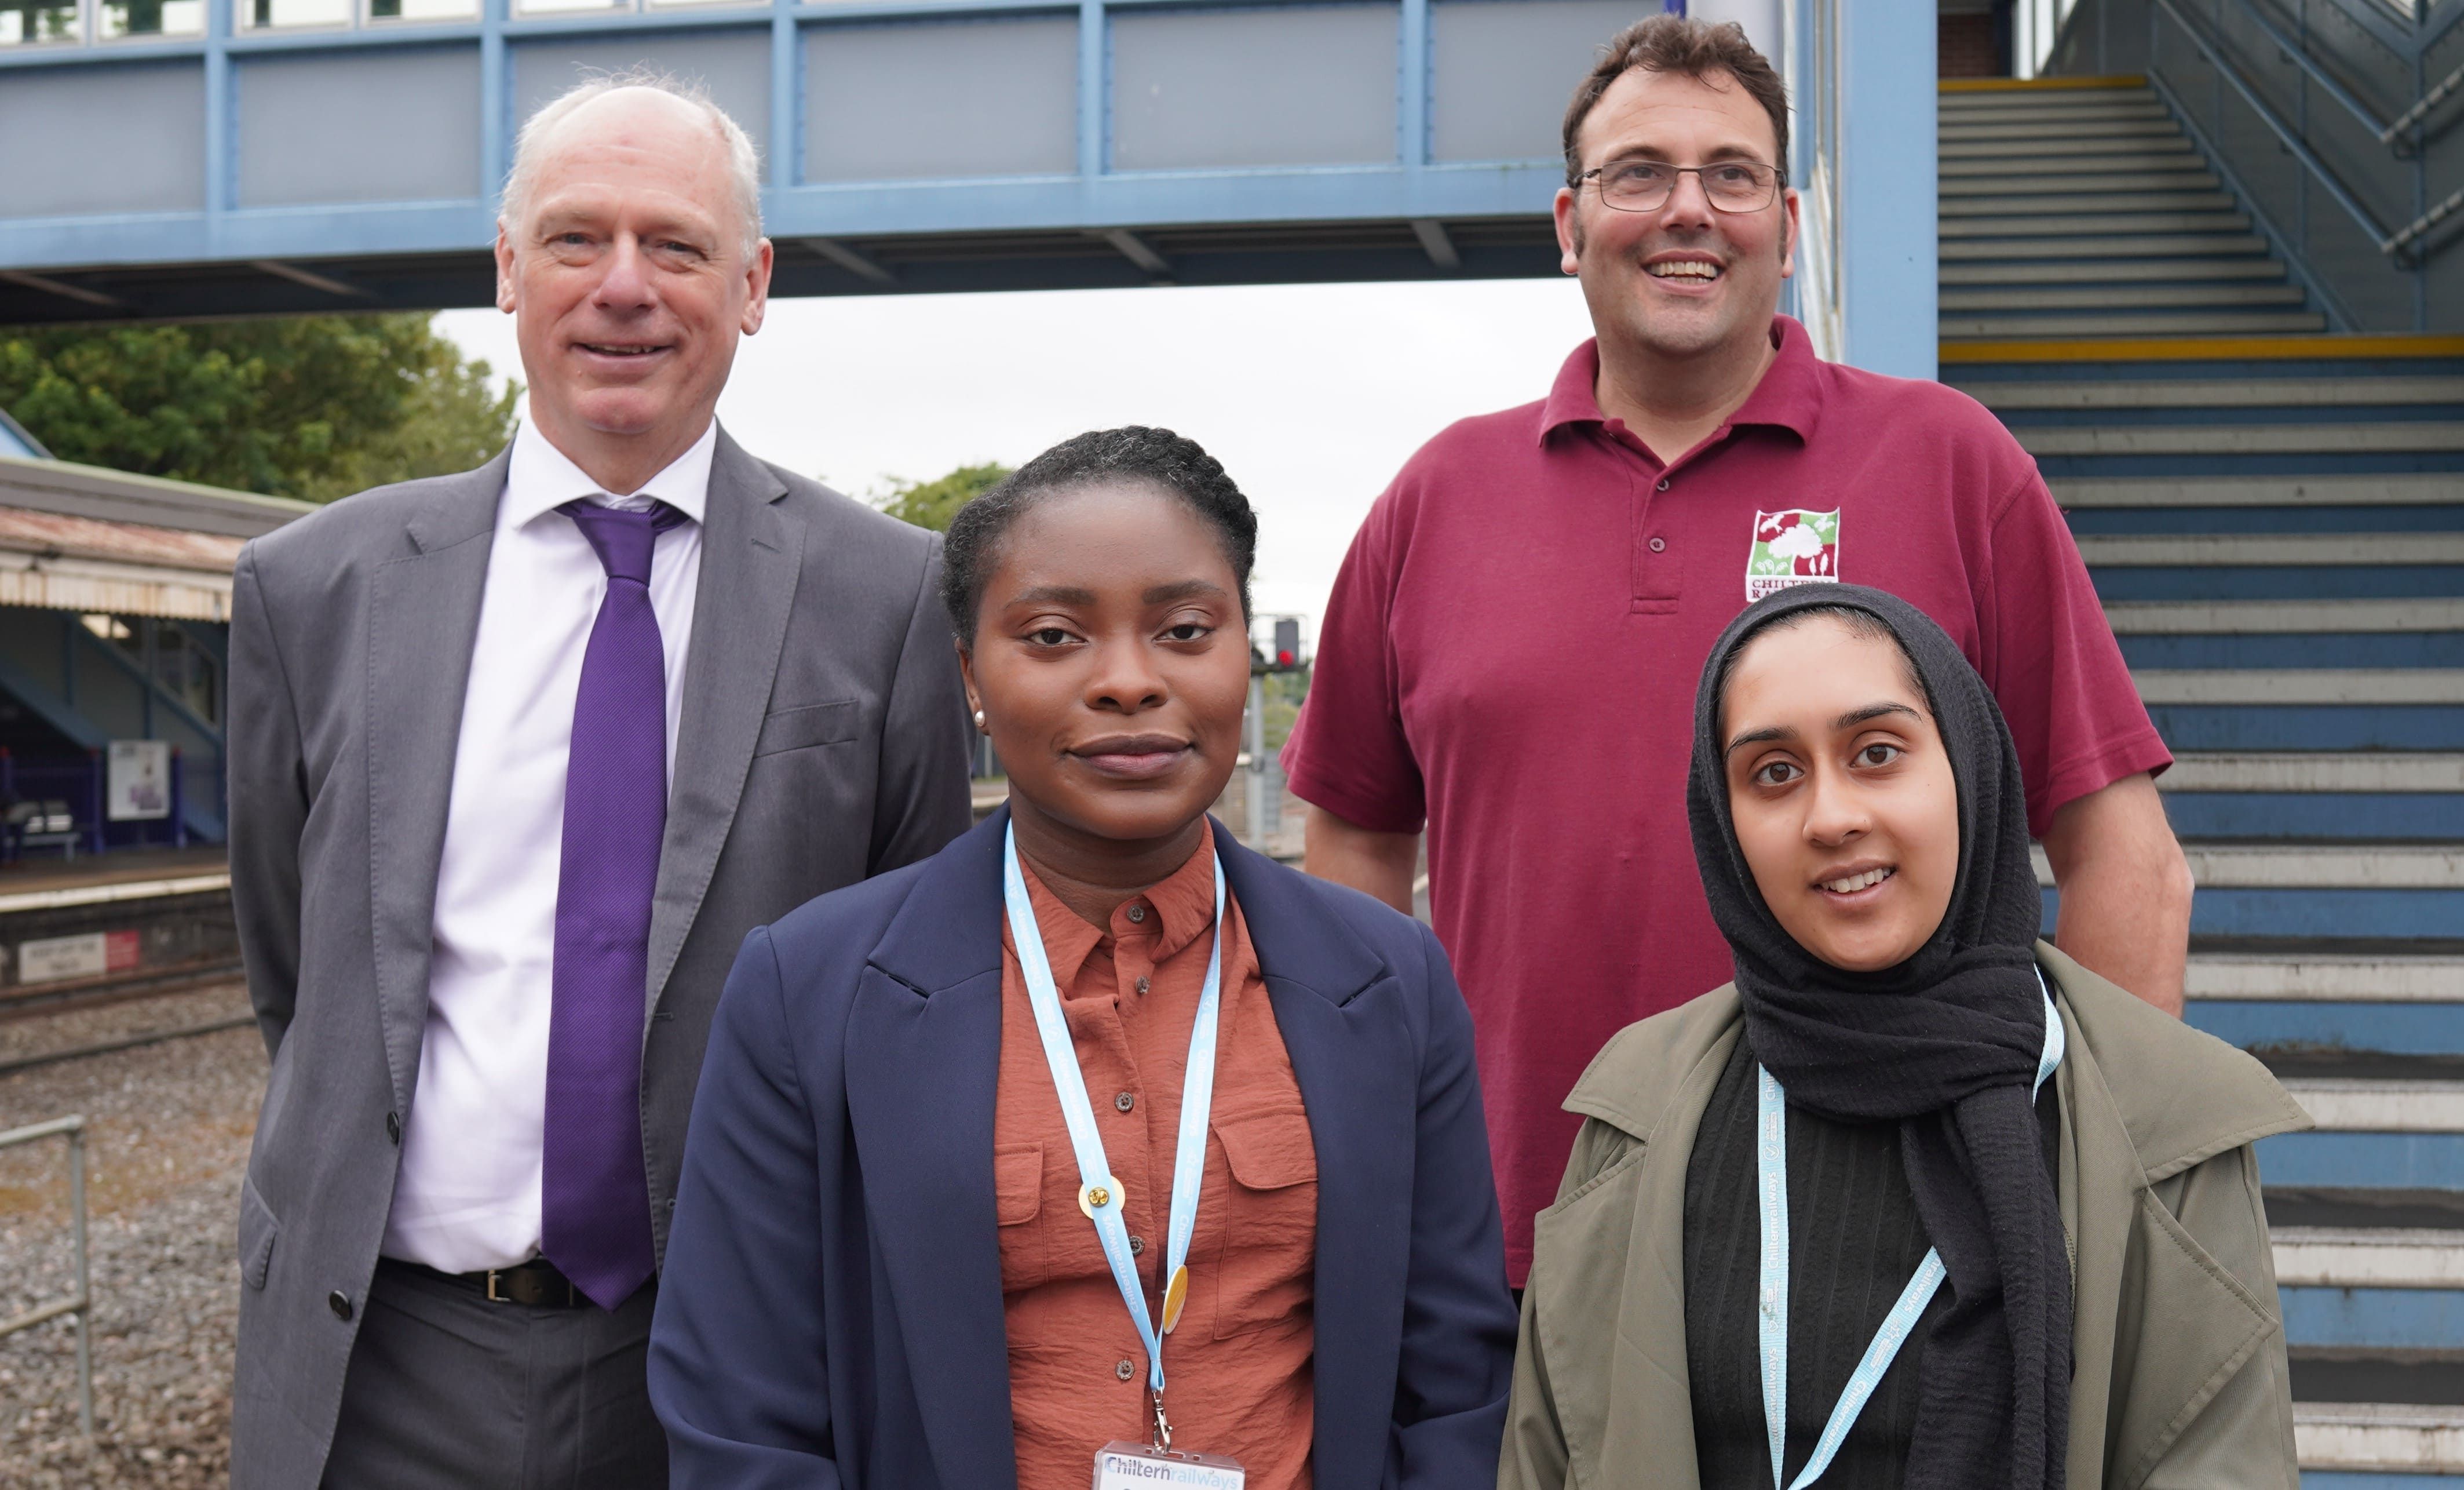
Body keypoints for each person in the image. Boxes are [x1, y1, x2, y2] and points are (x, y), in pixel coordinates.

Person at [1281, 14, 2193, 1290]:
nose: (1687, 211)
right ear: (1568, 220)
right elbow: (1357, 848)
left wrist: (2094, 1179)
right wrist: (1371, 1148)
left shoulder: (1949, 463)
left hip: (1894, 1256)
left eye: (1733, 174)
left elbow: (2125, 856)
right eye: (1638, 172)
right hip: (1513, 1250)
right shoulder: (1437, 497)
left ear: (1790, 219)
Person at [224, 76, 973, 1489]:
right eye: (575, 240)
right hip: (382, 1359)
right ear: (507, 269)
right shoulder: (311, 589)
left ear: (753, 285)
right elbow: (298, 970)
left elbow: (907, 983)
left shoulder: (888, 595)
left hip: (735, 1360)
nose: (623, 287)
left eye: (676, 246)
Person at [647, 427, 1517, 1489]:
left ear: (1246, 649)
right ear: (970, 675)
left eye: (1186, 629)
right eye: (1055, 636)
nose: (1127, 682)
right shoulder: (808, 990)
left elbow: (1455, 1388)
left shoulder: (1388, 980)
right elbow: (741, 1412)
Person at [1499, 584, 2306, 1490]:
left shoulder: (2165, 1121)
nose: (1831, 817)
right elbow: (1545, 1457)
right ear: (1723, 824)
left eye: (1876, 754)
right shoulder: (1635, 1111)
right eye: (1772, 773)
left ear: (1968, 768)